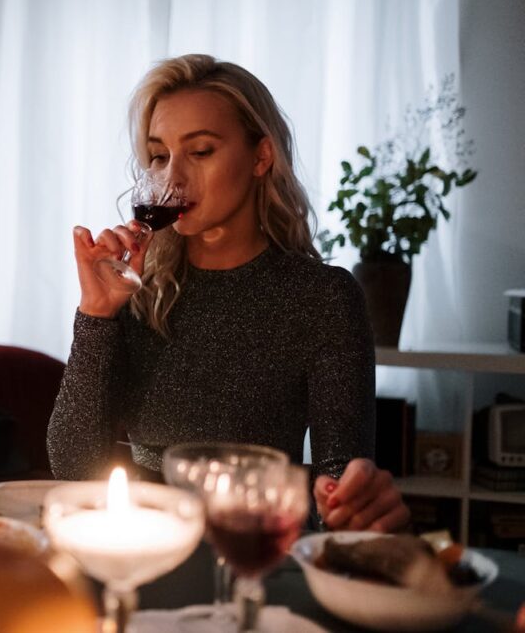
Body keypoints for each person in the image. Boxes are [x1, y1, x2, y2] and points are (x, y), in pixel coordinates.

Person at [47, 54, 409, 532]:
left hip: (254, 546)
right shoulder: (136, 290)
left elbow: (339, 481)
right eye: (159, 156)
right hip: (141, 541)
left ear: (261, 157)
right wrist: (96, 313)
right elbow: (72, 467)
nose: (172, 178)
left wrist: (354, 496)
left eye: (199, 151)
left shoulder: (322, 297)